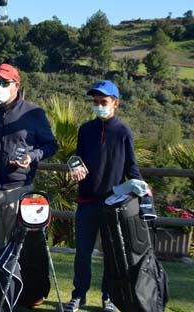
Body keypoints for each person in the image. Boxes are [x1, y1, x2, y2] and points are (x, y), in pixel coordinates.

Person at [0, 63, 58, 310]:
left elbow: (51, 145)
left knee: (17, 244)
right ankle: (1, 294)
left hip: (19, 189)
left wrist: (33, 156)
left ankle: (19, 293)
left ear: (16, 85)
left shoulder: (34, 114)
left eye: (4, 83)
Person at [63, 80, 141, 312]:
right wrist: (73, 166)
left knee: (112, 255)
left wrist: (139, 187)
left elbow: (132, 167)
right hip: (86, 201)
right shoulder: (85, 129)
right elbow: (77, 159)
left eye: (103, 102)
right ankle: (78, 296)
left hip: (113, 205)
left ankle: (109, 298)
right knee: (82, 254)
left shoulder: (124, 132)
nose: (99, 106)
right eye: (95, 102)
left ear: (115, 103)